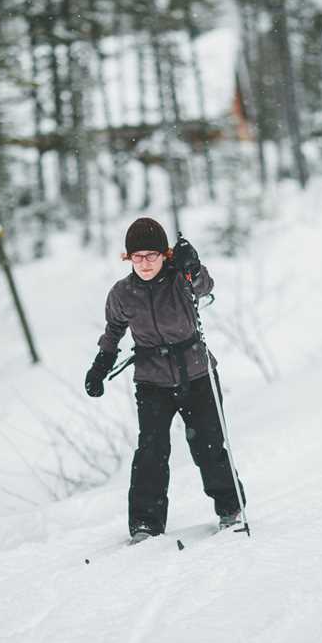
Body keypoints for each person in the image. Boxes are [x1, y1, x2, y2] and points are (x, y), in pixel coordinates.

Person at [85, 217, 246, 544]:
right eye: (137, 257)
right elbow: (113, 330)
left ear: (165, 256)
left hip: (197, 374)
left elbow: (205, 287)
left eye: (152, 256)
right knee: (151, 450)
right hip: (151, 380)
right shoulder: (122, 294)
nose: (144, 263)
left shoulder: (180, 281)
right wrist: (101, 364)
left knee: (208, 445)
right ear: (128, 258)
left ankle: (230, 508)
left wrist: (194, 266)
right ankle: (146, 523)